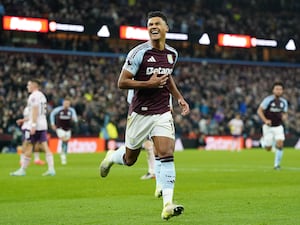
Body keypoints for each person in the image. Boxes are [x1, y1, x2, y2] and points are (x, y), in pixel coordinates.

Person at [99, 11, 190, 220]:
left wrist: (179, 97)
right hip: (140, 113)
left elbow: (167, 78)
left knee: (166, 153)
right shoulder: (138, 52)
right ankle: (111, 157)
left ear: (166, 28)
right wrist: (147, 84)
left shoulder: (172, 54)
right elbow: (121, 82)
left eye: (157, 23)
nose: (153, 27)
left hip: (162, 112)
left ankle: (167, 204)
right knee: (130, 159)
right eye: (150, 24)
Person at [10, 79, 56, 176]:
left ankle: (22, 170)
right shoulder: (42, 96)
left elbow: (35, 110)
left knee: (29, 146)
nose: (27, 86)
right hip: (43, 124)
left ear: (34, 86)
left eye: (29, 85)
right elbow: (38, 112)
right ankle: (51, 169)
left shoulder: (33, 96)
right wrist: (24, 120)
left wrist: (33, 125)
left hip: (36, 125)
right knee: (44, 146)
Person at [257, 81, 288, 170]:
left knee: (280, 143)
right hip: (268, 127)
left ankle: (276, 165)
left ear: (282, 91)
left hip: (278, 126)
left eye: (280, 89)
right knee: (268, 148)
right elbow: (259, 111)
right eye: (276, 89)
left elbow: (285, 112)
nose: (278, 91)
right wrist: (265, 120)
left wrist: (285, 117)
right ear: (273, 90)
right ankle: (263, 142)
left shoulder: (284, 102)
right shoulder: (268, 100)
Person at [50, 98, 78, 165]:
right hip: (60, 128)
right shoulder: (58, 109)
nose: (66, 105)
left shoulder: (72, 110)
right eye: (65, 103)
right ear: (63, 103)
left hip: (68, 129)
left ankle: (64, 154)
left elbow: (75, 119)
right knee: (64, 139)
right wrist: (52, 123)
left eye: (68, 103)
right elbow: (52, 114)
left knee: (66, 142)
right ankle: (63, 156)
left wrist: (75, 120)